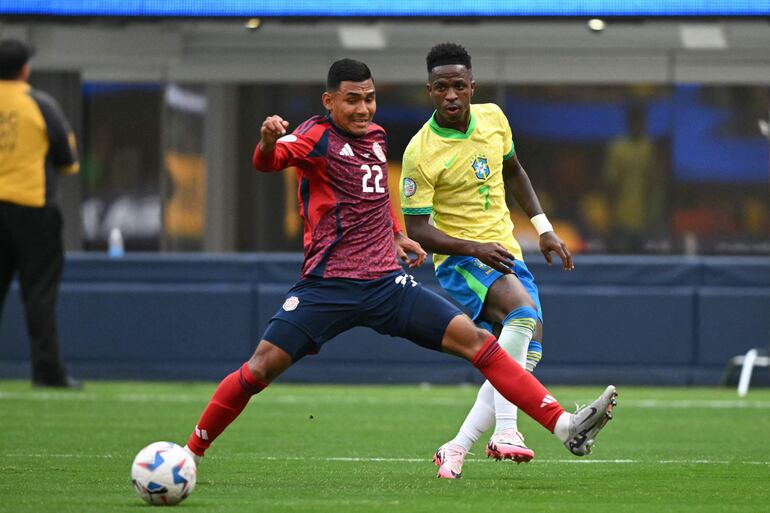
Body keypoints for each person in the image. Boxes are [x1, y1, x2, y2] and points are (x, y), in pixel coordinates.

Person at [183, 58, 617, 478]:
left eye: (369, 98)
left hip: (387, 286)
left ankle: (563, 426)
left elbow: (373, 197)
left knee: (480, 342)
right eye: (353, 100)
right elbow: (268, 161)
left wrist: (395, 234)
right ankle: (190, 454)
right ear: (329, 101)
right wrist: (266, 141)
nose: (363, 109)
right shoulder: (314, 136)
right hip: (327, 287)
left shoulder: (376, 137)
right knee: (260, 368)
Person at [399, 42, 580, 478]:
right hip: (461, 260)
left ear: (472, 86)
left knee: (523, 356)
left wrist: (543, 228)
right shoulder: (420, 151)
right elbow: (417, 229)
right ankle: (506, 431)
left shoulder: (494, 118)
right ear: (429, 91)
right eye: (442, 87)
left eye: (459, 86)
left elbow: (514, 170)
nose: (451, 95)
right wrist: (475, 248)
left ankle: (456, 447)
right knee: (521, 314)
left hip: (505, 253)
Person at [0, 38, 81, 388]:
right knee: (39, 295)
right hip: (32, 210)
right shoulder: (40, 104)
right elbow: (68, 161)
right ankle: (47, 373)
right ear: (24, 69)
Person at [603, 103, 661, 252]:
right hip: (621, 218)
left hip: (643, 220)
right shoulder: (618, 149)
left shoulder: (648, 147)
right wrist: (610, 216)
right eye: (635, 121)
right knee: (621, 255)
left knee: (641, 257)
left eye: (641, 121)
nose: (639, 125)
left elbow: (652, 181)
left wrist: (653, 214)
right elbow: (610, 184)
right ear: (629, 122)